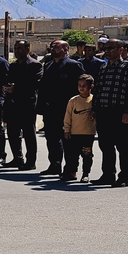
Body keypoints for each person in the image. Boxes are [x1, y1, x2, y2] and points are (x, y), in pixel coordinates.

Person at [92, 40, 128, 187]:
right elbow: (98, 90)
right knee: (105, 145)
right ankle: (108, 175)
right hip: (103, 111)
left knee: (122, 146)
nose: (107, 51)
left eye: (110, 48)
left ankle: (124, 177)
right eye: (105, 48)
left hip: (120, 112)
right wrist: (94, 108)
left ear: (120, 50)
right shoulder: (103, 67)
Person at [36, 39, 85, 177]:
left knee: (68, 140)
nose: (52, 49)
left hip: (67, 109)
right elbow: (43, 87)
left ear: (65, 49)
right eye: (51, 47)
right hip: (50, 109)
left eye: (56, 47)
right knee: (51, 139)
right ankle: (55, 165)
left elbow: (81, 87)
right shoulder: (49, 65)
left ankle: (70, 169)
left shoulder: (74, 65)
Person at [1, 40, 43, 171]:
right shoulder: (13, 66)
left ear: (27, 49)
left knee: (29, 134)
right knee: (13, 133)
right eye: (15, 48)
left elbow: (35, 83)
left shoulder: (35, 65)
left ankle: (31, 161)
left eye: (20, 48)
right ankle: (17, 158)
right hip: (13, 104)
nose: (17, 51)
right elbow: (8, 80)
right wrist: (6, 88)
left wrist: (16, 87)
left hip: (27, 104)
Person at [63, 74, 97, 182]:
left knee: (87, 155)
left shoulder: (94, 100)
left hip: (88, 133)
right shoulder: (73, 101)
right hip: (75, 133)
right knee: (73, 155)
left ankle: (85, 174)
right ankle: (72, 172)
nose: (81, 88)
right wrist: (67, 129)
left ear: (91, 87)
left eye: (84, 85)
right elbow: (68, 116)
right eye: (79, 85)